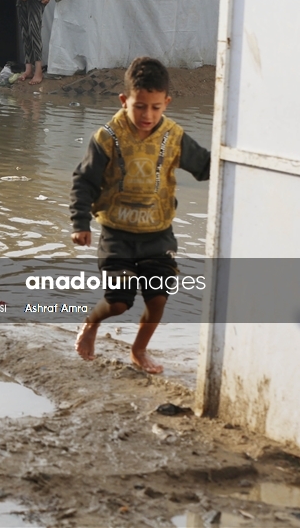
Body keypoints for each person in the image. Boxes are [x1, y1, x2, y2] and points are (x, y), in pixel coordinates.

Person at [69, 57, 210, 373]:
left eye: (156, 107)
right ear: (125, 100)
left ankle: (139, 350)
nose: (148, 115)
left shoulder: (174, 137)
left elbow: (207, 165)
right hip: (116, 234)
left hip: (158, 235)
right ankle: (92, 321)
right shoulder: (108, 137)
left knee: (157, 299)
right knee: (119, 302)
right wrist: (80, 222)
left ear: (166, 103)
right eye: (140, 106)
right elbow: (84, 180)